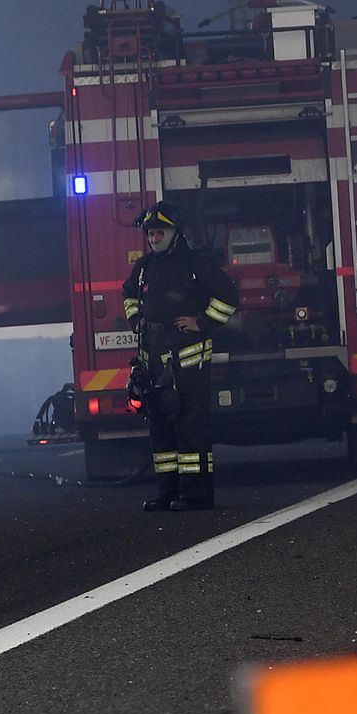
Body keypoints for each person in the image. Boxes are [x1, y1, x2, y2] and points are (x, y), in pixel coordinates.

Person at [122, 201, 238, 512]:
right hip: (153, 360)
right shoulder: (146, 266)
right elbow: (129, 295)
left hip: (188, 362)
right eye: (150, 233)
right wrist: (136, 321)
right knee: (160, 429)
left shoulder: (194, 263)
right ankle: (168, 492)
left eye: (160, 232)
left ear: (175, 233)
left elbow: (228, 296)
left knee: (190, 429)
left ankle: (196, 494)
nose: (154, 238)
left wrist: (202, 323)